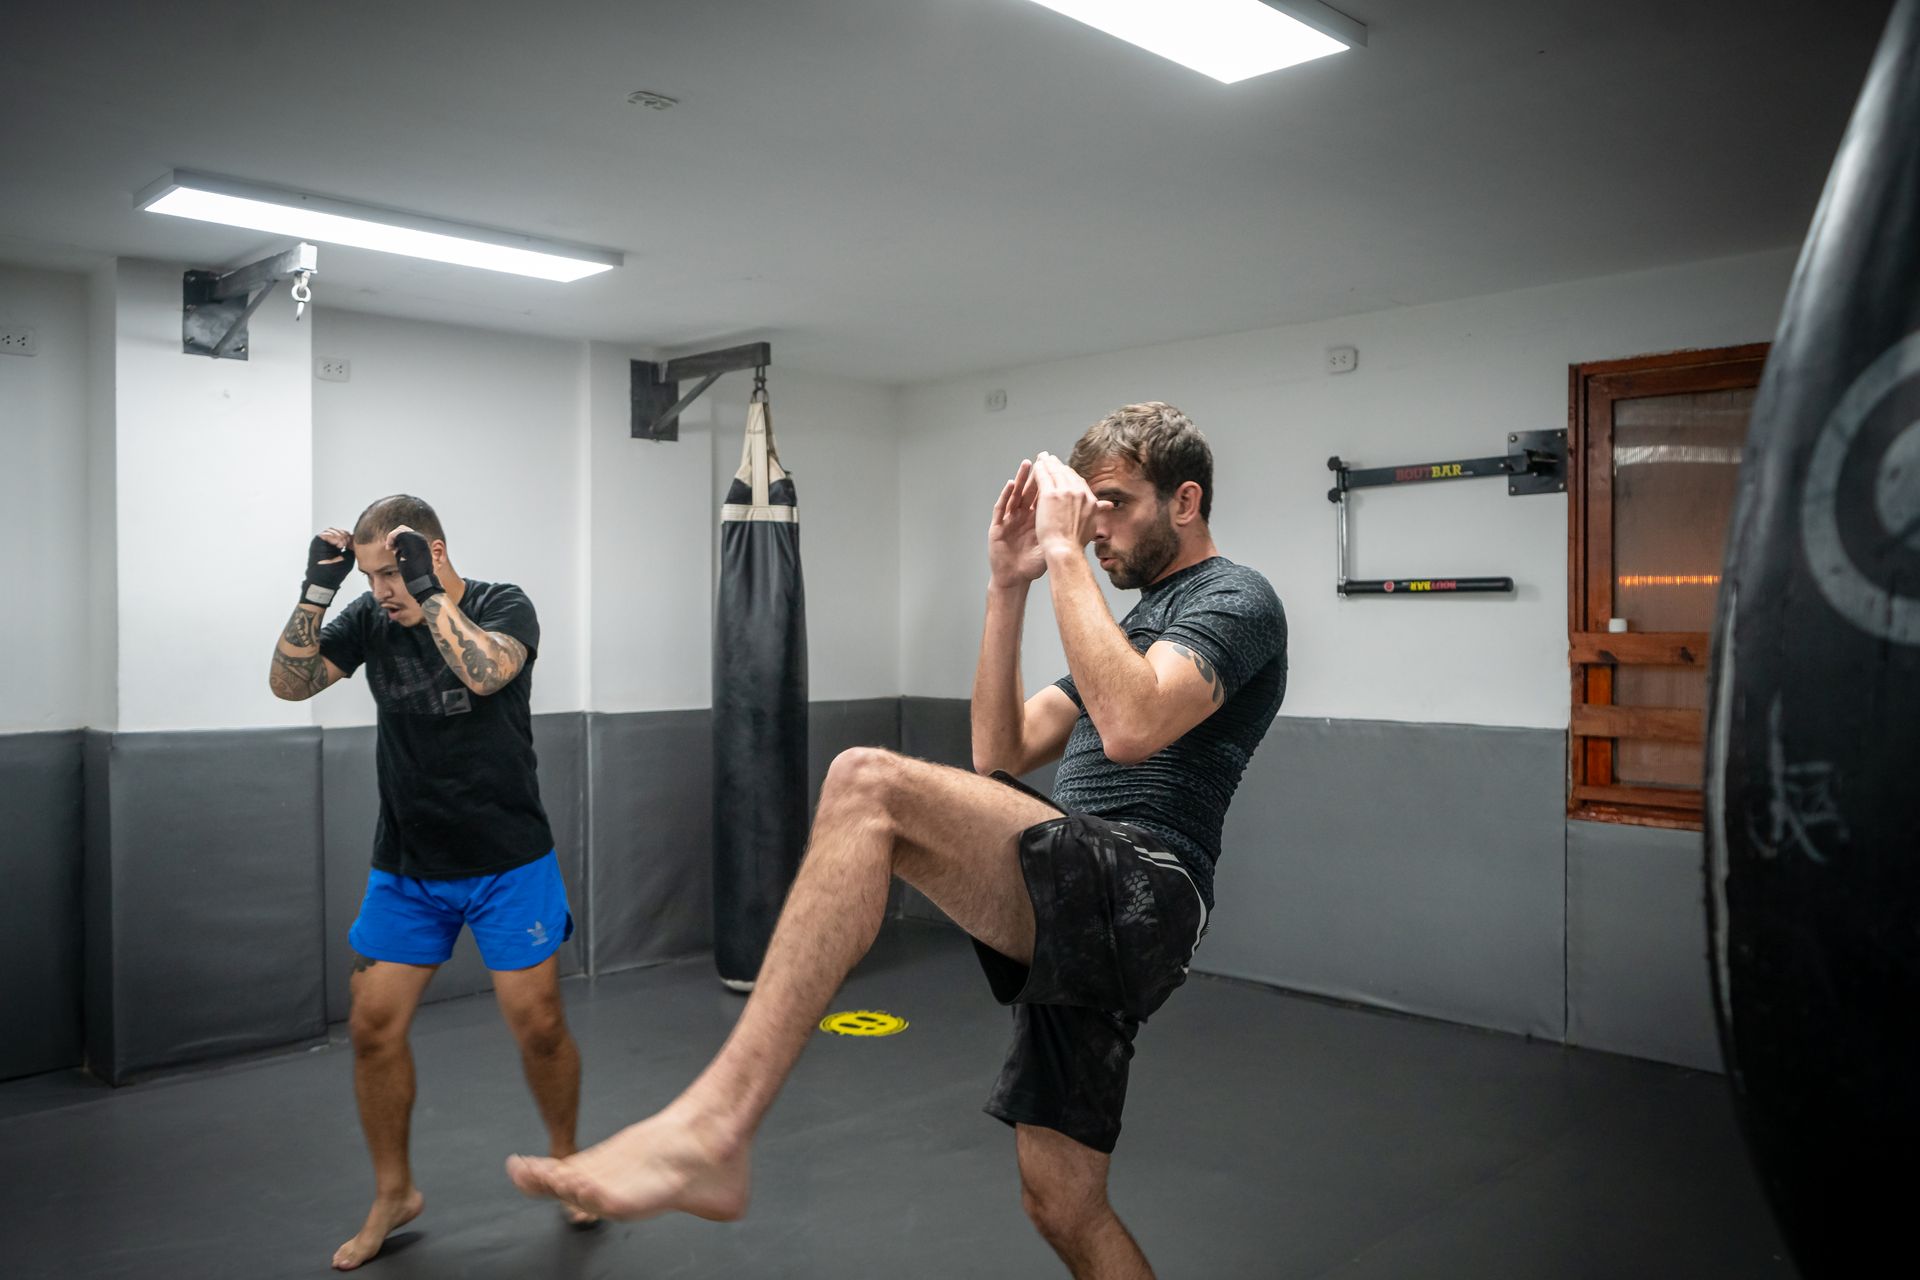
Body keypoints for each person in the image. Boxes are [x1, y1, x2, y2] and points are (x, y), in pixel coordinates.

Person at [507, 404, 1286, 1278]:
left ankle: (713, 1129)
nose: (1095, 526)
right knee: (1061, 1202)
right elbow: (1000, 752)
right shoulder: (1130, 628)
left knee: (867, 784)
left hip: (1146, 887)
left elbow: (1135, 723)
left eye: (1113, 504)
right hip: (1080, 905)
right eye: (1088, 508)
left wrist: (1065, 551)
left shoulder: (1237, 598)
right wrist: (1007, 585)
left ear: (1186, 502)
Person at [268, 494, 593, 1271]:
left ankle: (568, 1160)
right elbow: (291, 684)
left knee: (539, 1024)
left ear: (434, 555)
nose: (381, 589)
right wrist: (317, 592)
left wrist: (432, 593)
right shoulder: (370, 620)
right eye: (371, 574)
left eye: (395, 571)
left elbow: (486, 675)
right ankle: (394, 1192)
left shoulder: (500, 604)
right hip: (409, 867)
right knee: (373, 1026)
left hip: (509, 860)